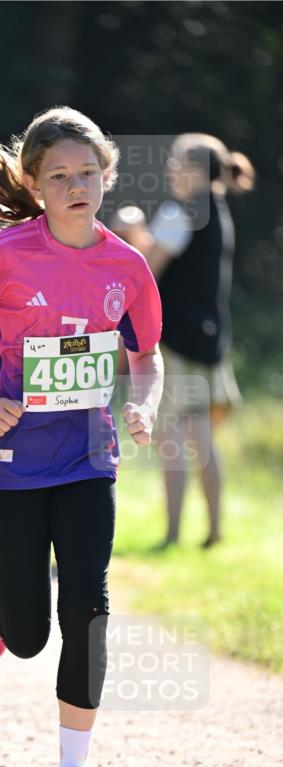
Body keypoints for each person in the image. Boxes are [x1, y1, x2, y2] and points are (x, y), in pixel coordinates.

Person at [0, 108, 164, 767]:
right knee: (24, 636)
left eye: (87, 172)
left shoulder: (127, 266)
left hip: (87, 455)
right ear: (32, 183)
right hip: (9, 454)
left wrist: (143, 404)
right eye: (58, 176)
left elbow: (145, 354)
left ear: (106, 174)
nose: (76, 186)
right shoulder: (7, 254)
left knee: (87, 605)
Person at [111, 133, 255, 548]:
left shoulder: (180, 212)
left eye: (177, 163)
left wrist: (131, 230)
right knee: (202, 437)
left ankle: (173, 535)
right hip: (210, 339)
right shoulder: (218, 212)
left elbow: (147, 270)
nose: (170, 170)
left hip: (175, 341)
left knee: (171, 437)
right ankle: (213, 532)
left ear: (196, 169)